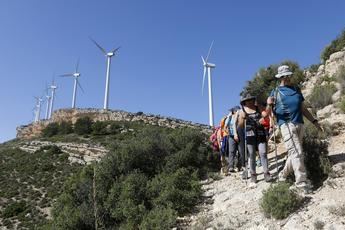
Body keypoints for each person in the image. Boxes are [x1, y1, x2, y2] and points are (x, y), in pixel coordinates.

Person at [266, 65, 322, 193]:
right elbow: (266, 113)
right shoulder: (275, 92)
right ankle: (301, 183)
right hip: (286, 125)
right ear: (280, 77)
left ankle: (283, 175)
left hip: (299, 123)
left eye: (289, 75)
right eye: (285, 76)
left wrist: (314, 121)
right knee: (297, 153)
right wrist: (269, 104)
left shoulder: (296, 90)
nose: (288, 78)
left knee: (295, 153)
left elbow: (303, 109)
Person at [238, 94, 273, 183]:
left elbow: (265, 114)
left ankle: (266, 173)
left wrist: (264, 116)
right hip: (250, 134)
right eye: (247, 100)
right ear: (244, 102)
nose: (249, 102)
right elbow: (240, 125)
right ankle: (253, 174)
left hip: (260, 132)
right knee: (252, 154)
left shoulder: (258, 108)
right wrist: (242, 118)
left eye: (251, 100)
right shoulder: (242, 111)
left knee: (263, 153)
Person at [226, 106, 242, 172]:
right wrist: (228, 117)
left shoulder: (241, 116)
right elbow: (226, 125)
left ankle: (240, 166)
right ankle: (231, 167)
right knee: (231, 151)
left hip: (240, 135)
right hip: (231, 136)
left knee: (241, 151)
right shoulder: (229, 117)